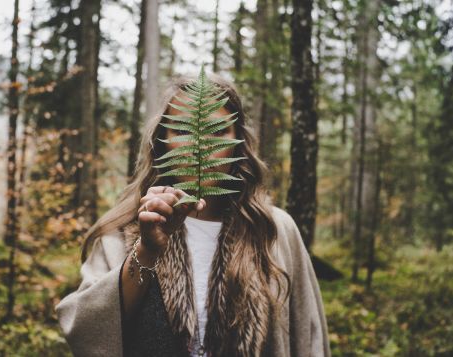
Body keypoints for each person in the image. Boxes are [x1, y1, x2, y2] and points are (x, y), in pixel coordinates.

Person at [55, 72, 331, 357]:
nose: (201, 145)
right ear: (163, 141)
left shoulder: (274, 230)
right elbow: (87, 329)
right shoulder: (127, 226)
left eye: (218, 131)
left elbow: (309, 339)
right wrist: (147, 251)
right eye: (184, 131)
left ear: (238, 142)